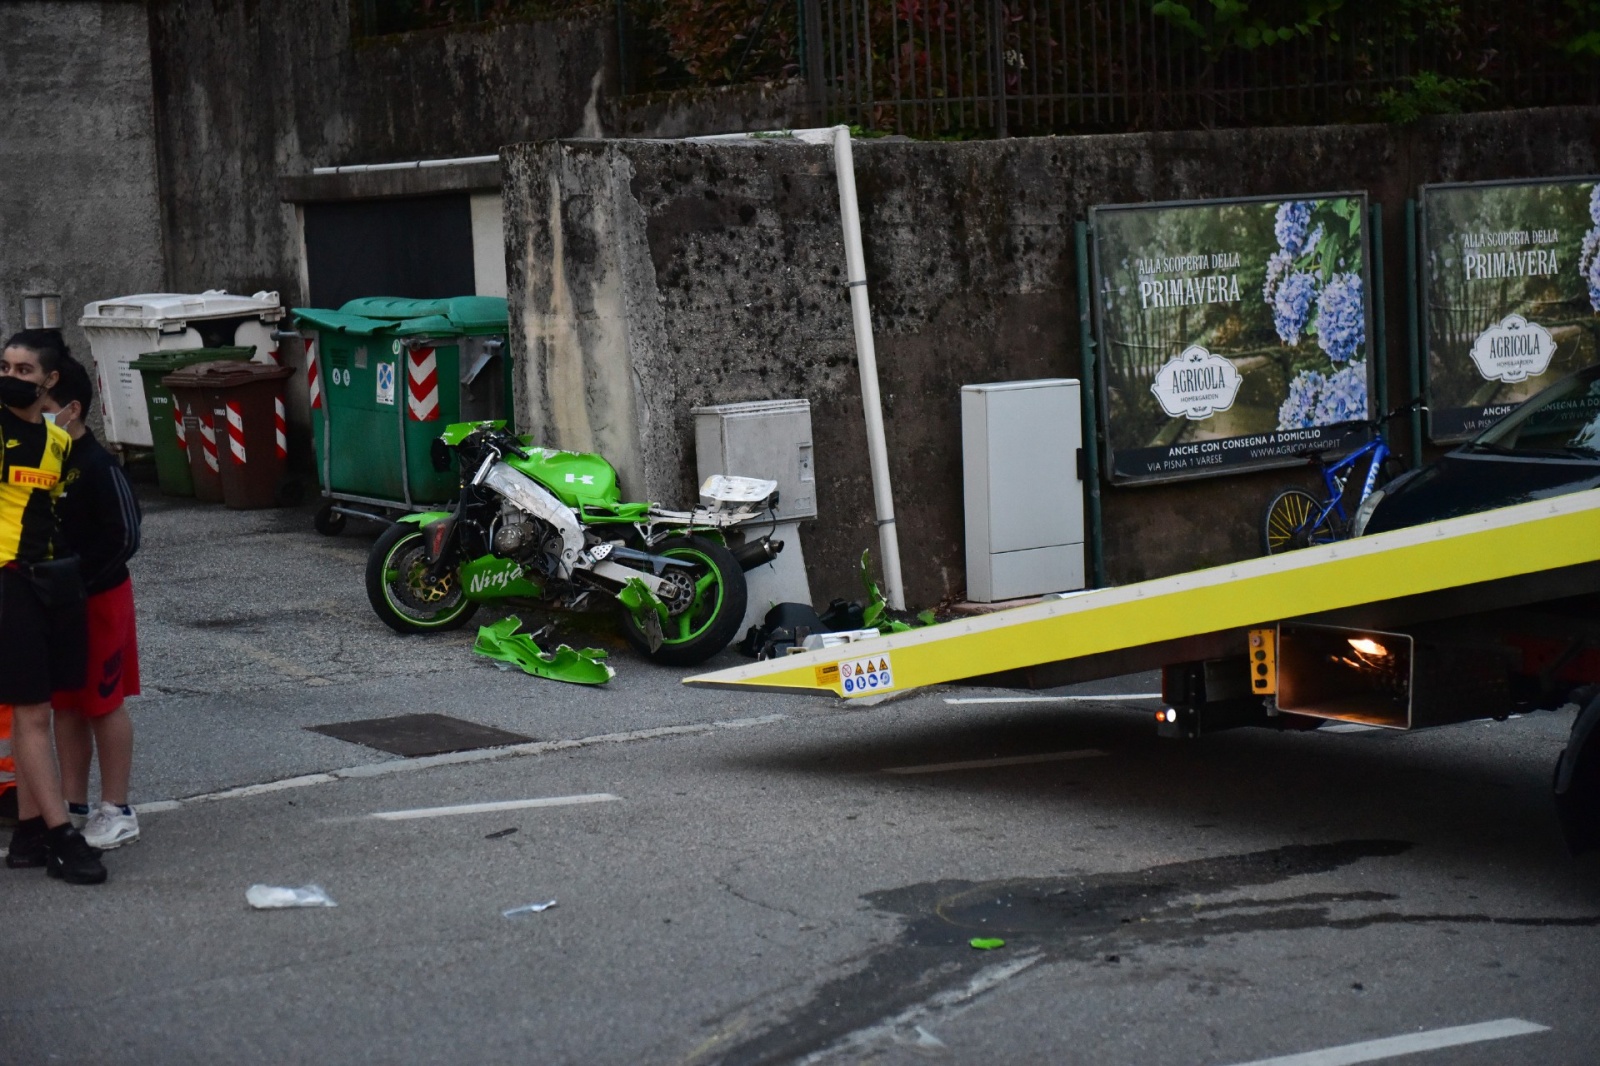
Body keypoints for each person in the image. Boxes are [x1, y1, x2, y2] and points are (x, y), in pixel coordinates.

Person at [0, 329, 106, 884]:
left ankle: (29, 834)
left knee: (30, 709)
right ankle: (63, 834)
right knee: (34, 711)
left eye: (23, 371)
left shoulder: (57, 441)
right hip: (6, 582)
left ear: (50, 381)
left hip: (48, 581)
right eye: (5, 368)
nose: (11, 379)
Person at [41, 356, 142, 848]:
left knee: (103, 703)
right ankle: (73, 804)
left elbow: (125, 537)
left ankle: (117, 807)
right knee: (65, 707)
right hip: (56, 603)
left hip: (99, 600)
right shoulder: (43, 460)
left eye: (44, 405)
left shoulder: (99, 467)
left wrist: (81, 584)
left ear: (71, 409)